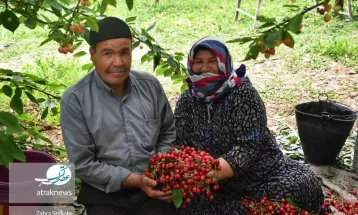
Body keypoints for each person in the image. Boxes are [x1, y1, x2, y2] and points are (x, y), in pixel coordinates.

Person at [174, 37, 324, 214]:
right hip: (216, 185)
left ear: (224, 63)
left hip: (263, 176)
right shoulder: (186, 101)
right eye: (198, 62)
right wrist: (192, 174)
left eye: (212, 61)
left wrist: (210, 172)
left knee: (299, 186)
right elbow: (182, 147)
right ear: (191, 65)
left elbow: (248, 147)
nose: (205, 68)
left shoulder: (243, 94)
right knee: (187, 202)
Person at [60, 17, 176, 215]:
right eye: (107, 53)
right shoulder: (75, 99)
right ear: (92, 55)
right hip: (104, 192)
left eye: (125, 52)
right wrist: (137, 180)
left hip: (153, 185)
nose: (118, 62)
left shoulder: (150, 87)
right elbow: (83, 164)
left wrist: (161, 166)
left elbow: (167, 133)